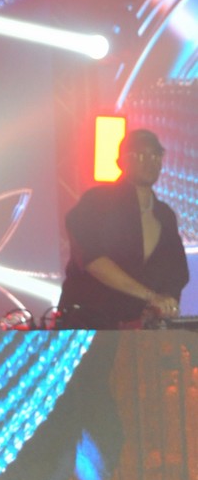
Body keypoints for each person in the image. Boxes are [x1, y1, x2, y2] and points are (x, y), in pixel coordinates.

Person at [59, 127, 188, 329]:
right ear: (121, 161)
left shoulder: (165, 215)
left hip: (138, 330)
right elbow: (92, 259)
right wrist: (151, 296)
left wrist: (164, 303)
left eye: (156, 155)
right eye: (140, 155)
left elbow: (177, 271)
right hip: (88, 324)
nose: (150, 161)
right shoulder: (96, 201)